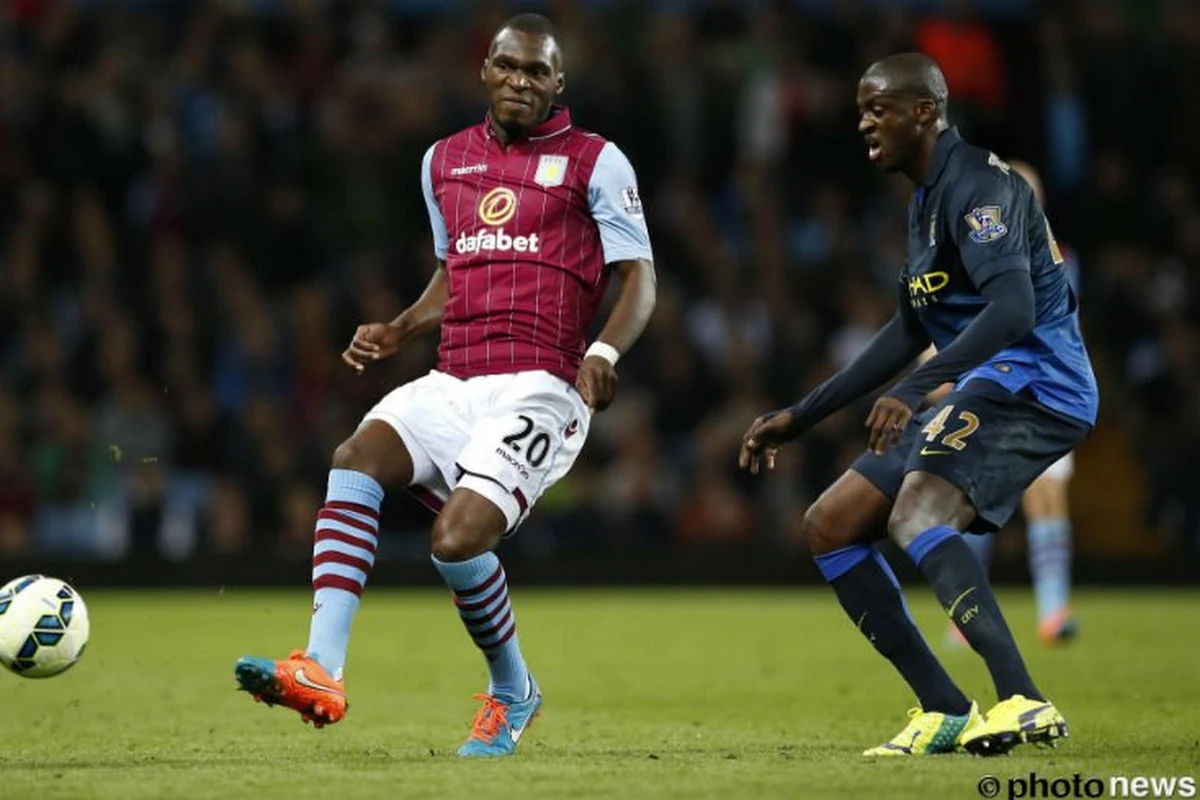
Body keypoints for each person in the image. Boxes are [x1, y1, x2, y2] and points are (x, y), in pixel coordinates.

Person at [234, 13, 656, 758]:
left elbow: (641, 279)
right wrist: (400, 327)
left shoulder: (597, 160)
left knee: (456, 542)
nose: (521, 82)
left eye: (537, 72)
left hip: (543, 386)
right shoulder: (443, 161)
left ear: (559, 83)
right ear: (485, 71)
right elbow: (452, 272)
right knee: (355, 458)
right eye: (508, 67)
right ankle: (322, 668)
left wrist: (607, 351)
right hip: (453, 375)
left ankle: (514, 691)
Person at [739, 53, 1097, 757]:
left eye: (877, 109)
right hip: (987, 382)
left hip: (1039, 383)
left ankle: (1024, 700)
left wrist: (909, 393)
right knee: (830, 524)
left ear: (925, 112)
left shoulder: (982, 189)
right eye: (861, 108)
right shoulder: (926, 201)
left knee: (917, 509)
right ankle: (943, 708)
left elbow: (1015, 307)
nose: (863, 122)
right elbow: (907, 330)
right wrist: (801, 414)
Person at [940, 161, 1080, 648]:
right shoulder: (974, 263)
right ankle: (965, 614)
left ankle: (1054, 611)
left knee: (1046, 499)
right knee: (976, 503)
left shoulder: (1057, 260)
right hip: (996, 395)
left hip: (1047, 392)